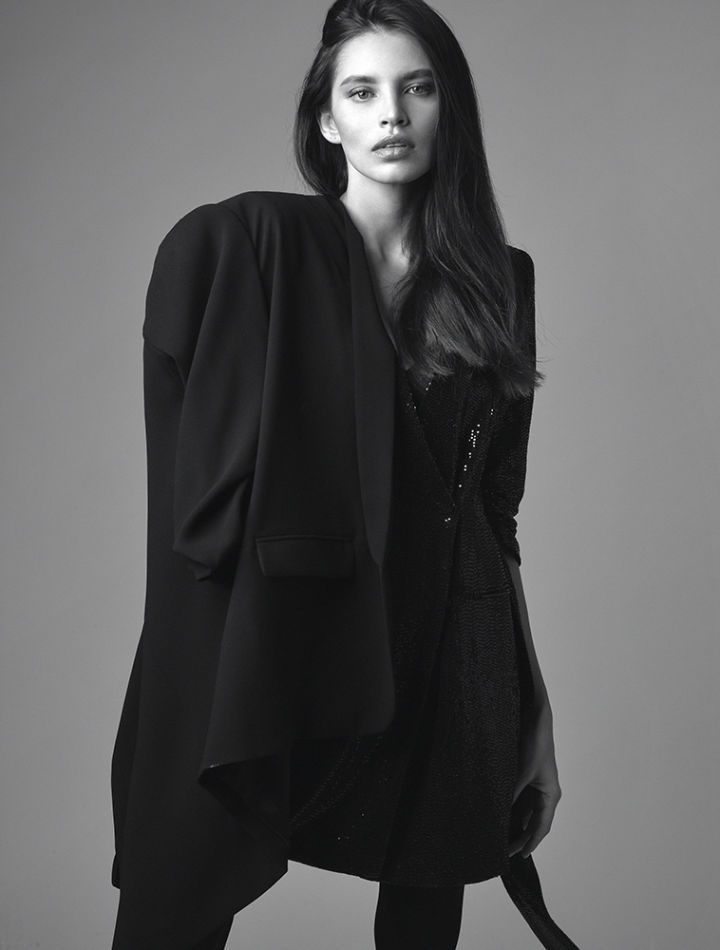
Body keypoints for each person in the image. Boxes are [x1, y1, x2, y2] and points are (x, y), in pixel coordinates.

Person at [110, 1, 581, 948]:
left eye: (417, 88)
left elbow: (494, 510)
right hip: (306, 633)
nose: (392, 114)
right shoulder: (263, 252)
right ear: (327, 122)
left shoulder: (504, 280)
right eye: (362, 93)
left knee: (425, 914)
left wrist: (534, 708)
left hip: (455, 649)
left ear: (449, 108)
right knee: (190, 879)